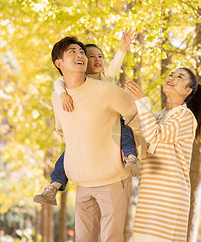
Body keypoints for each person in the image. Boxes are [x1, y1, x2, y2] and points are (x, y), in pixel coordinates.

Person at [45, 36, 142, 241]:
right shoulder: (57, 97)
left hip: (113, 180)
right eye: (73, 52)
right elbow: (64, 131)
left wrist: (127, 150)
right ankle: (54, 184)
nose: (80, 55)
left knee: (111, 239)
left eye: (81, 52)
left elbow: (136, 117)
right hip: (82, 183)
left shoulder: (107, 90)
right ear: (58, 63)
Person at [125, 67, 201, 242]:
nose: (172, 78)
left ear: (188, 90)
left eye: (180, 77)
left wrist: (142, 101)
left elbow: (155, 135)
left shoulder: (185, 116)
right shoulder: (157, 115)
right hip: (148, 194)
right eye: (171, 75)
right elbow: (135, 135)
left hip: (170, 196)